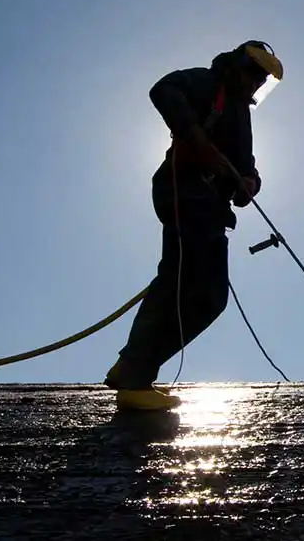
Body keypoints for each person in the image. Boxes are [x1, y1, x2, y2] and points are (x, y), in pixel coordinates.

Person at [103, 40, 284, 411]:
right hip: (183, 193)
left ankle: (133, 365)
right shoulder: (208, 83)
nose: (257, 82)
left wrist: (249, 182)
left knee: (211, 299)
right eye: (254, 73)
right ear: (238, 66)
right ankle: (136, 378)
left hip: (213, 209)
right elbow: (163, 89)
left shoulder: (240, 114)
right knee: (177, 280)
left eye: (263, 78)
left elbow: (245, 166)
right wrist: (196, 139)